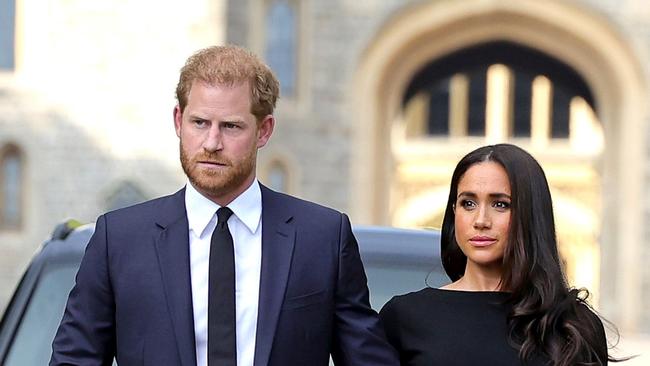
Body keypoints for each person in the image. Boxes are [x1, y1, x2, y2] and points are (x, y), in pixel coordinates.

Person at [50, 45, 399, 366]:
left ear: (264, 131)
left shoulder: (322, 238)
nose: (212, 143)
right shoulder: (119, 239)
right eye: (199, 123)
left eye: (231, 126)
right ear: (178, 121)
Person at [380, 143, 616, 366]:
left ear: (530, 214)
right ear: (454, 212)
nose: (481, 221)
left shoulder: (572, 325)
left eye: (500, 204)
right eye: (468, 203)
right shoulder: (404, 317)